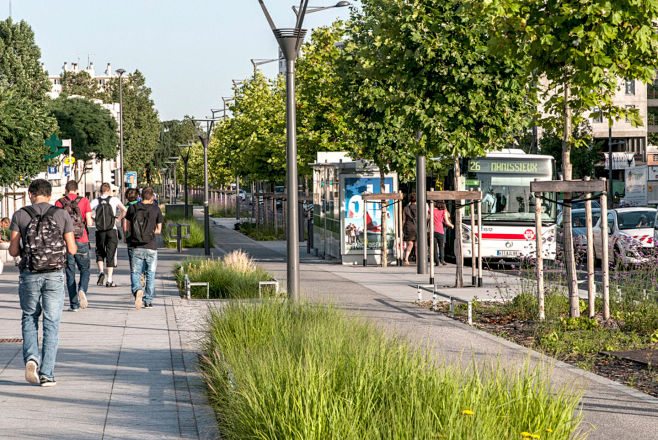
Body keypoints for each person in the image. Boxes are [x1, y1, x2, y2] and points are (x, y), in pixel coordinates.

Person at [8, 179, 77, 387]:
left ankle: (31, 358)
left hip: (29, 273)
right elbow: (72, 249)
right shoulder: (61, 214)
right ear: (49, 195)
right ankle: (47, 373)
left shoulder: (20, 214)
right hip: (54, 274)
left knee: (29, 316)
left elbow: (12, 251)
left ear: (30, 194)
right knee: (51, 322)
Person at [55, 180, 93, 311]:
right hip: (82, 239)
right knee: (85, 269)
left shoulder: (59, 203)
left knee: (70, 272)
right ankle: (82, 289)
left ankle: (74, 304)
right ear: (77, 190)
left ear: (65, 190)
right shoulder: (84, 201)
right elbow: (89, 221)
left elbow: (57, 224)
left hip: (66, 241)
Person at [124, 187, 163, 309]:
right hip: (151, 246)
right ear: (152, 197)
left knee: (135, 272)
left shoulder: (132, 208)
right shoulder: (156, 210)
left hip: (136, 246)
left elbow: (128, 228)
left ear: (141, 195)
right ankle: (148, 301)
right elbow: (158, 230)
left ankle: (137, 291)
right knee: (150, 274)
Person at [90, 183, 126, 287]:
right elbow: (124, 210)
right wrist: (118, 219)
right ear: (109, 190)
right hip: (112, 229)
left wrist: (94, 220)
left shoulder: (95, 201)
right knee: (111, 254)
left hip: (99, 231)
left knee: (100, 252)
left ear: (100, 191)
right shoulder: (114, 200)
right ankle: (109, 280)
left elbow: (87, 212)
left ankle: (101, 272)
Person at [433, 201, 454, 266]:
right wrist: (452, 225)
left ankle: (436, 261)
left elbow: (427, 218)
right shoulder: (443, 212)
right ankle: (442, 260)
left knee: (434, 247)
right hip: (440, 230)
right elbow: (447, 222)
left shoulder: (431, 210)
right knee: (441, 246)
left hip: (433, 230)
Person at [402, 193, 418, 265]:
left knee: (410, 244)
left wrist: (402, 228)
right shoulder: (419, 208)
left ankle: (406, 258)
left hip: (409, 227)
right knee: (417, 245)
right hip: (417, 227)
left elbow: (403, 220)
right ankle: (418, 260)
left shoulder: (406, 208)